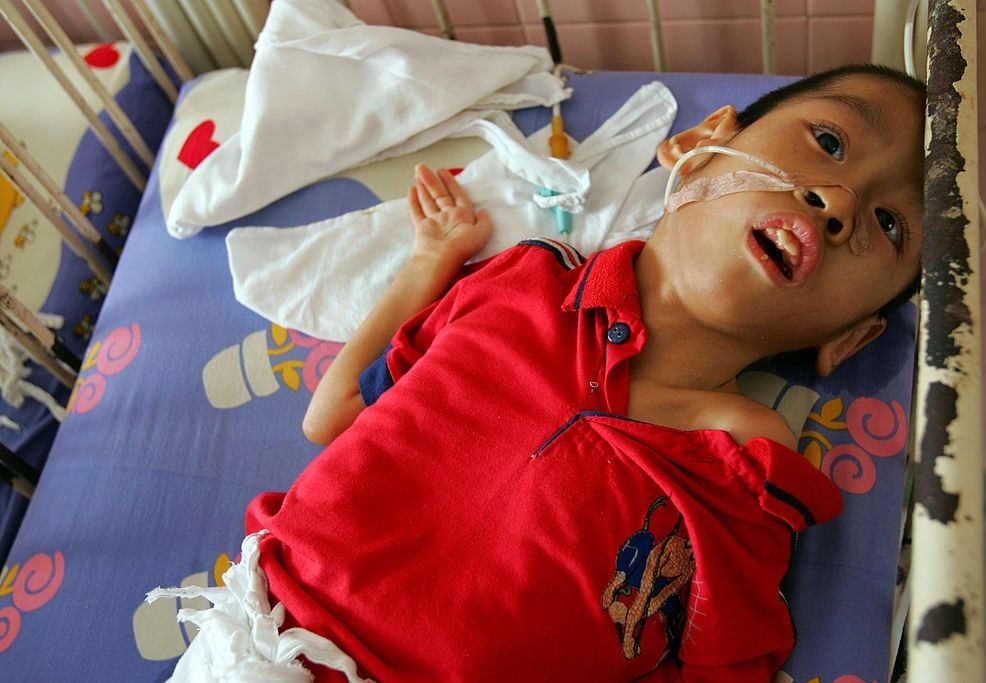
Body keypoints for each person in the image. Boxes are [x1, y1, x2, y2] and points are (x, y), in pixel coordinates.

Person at [163, 64, 926, 682]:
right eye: (828, 139)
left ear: (850, 337)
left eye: (889, 225)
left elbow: (724, 660)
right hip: (266, 643)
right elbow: (331, 417)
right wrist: (430, 262)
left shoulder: (741, 460)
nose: (840, 204)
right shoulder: (523, 282)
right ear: (697, 143)